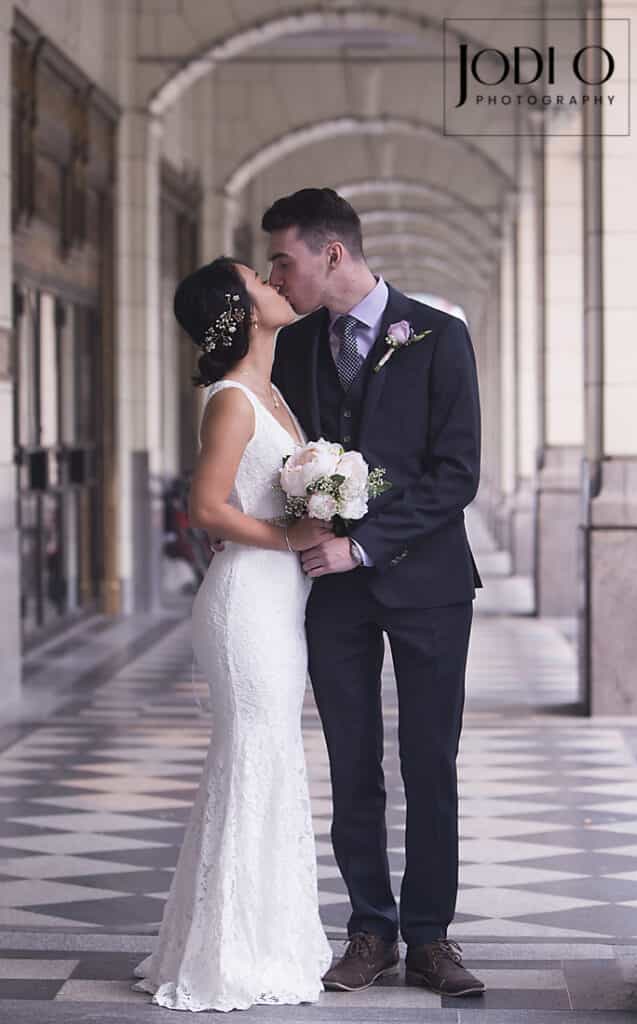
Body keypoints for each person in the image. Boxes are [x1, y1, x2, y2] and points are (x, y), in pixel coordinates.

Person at [262, 188, 485, 997]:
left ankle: (430, 937)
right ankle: (369, 930)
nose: (276, 275)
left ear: (331, 254)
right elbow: (279, 464)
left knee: (430, 760)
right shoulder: (291, 350)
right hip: (334, 596)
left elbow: (456, 474)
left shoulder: (438, 336)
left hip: (426, 586)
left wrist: (363, 544)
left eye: (284, 259)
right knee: (351, 762)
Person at [132, 257, 333, 1012]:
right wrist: (291, 539)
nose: (276, 283)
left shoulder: (271, 391)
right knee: (254, 754)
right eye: (259, 278)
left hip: (280, 600)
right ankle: (230, 952)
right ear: (240, 309)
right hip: (246, 604)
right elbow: (206, 508)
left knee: (271, 757)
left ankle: (258, 936)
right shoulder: (231, 401)